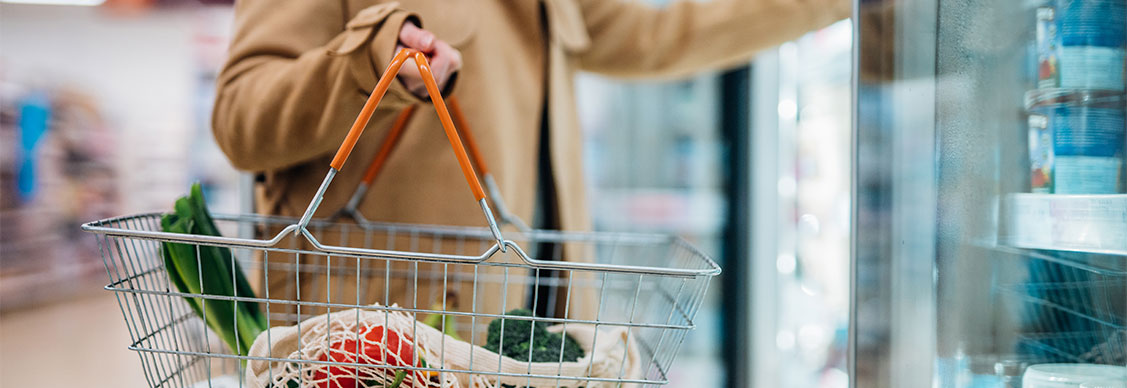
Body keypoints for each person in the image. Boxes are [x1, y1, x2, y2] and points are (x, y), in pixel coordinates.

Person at [213, 0, 849, 325]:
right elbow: (241, 118)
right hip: (376, 341)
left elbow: (654, 34)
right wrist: (370, 63)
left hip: (544, 337)